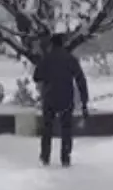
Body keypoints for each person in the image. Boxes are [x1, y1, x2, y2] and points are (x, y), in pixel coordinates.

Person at [32, 33, 90, 167]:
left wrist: (47, 77)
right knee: (66, 128)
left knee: (47, 128)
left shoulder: (46, 59)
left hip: (50, 96)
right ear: (62, 44)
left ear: (52, 44)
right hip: (66, 97)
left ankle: (45, 156)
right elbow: (81, 80)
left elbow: (36, 76)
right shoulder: (70, 59)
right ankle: (65, 157)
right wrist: (84, 102)